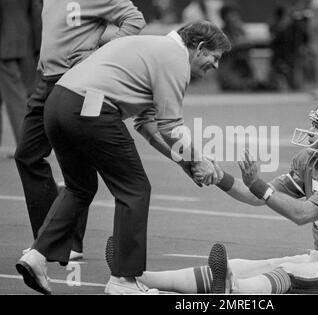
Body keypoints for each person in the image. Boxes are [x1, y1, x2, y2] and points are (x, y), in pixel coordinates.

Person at [16, 20, 231, 295]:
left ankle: (36, 256)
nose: (215, 66)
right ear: (199, 48)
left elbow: (148, 126)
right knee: (135, 189)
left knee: (79, 187)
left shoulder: (152, 48)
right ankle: (124, 280)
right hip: (90, 107)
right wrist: (198, 159)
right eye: (215, 58)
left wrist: (186, 161)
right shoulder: (175, 57)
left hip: (58, 102)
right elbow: (170, 126)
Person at [117, 100, 318, 294]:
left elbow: (303, 215)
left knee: (288, 273)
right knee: (242, 265)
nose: (311, 129)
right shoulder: (309, 160)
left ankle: (234, 290)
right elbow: (256, 196)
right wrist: (219, 176)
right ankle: (137, 278)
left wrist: (259, 185)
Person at [14, 0, 146, 261]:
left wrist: (101, 55)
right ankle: (51, 241)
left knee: (77, 166)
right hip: (47, 82)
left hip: (77, 81)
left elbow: (135, 19)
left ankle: (66, 244)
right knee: (26, 155)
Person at [0, 0, 41, 147]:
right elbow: (37, 14)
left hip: (5, 47)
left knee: (15, 98)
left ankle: (26, 145)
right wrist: (37, 46)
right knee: (22, 94)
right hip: (26, 44)